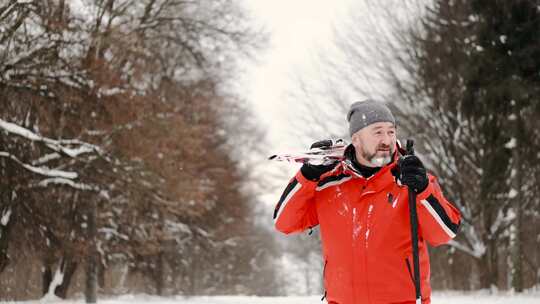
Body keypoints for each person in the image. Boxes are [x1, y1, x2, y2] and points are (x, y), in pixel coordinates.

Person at [273, 99, 461, 304]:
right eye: (378, 132)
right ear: (356, 139)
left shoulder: (410, 181)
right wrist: (307, 175)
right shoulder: (330, 185)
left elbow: (444, 233)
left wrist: (423, 189)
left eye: (391, 132)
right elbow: (284, 223)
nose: (387, 140)